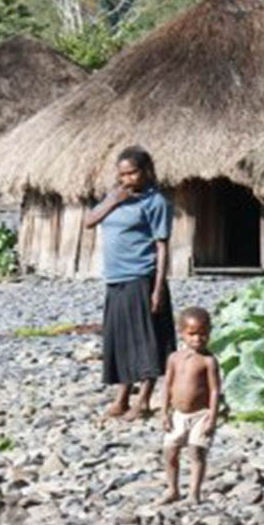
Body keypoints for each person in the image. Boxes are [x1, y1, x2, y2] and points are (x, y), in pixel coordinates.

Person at [85, 146, 176, 421]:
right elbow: (90, 221)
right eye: (122, 174)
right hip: (115, 277)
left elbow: (162, 246)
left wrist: (158, 288)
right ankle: (122, 397)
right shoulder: (113, 198)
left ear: (146, 171)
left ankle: (144, 400)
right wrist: (113, 201)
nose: (127, 178)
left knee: (147, 341)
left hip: (142, 276)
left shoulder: (155, 202)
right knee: (120, 339)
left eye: (133, 173)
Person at [159, 307, 221, 504]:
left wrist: (212, 416)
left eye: (203, 334)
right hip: (178, 414)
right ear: (182, 333)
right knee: (170, 451)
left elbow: (214, 390)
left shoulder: (208, 361)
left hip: (201, 414)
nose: (197, 339)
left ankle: (194, 493)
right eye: (192, 334)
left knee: (196, 452)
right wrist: (164, 412)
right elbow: (167, 385)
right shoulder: (174, 358)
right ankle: (172, 489)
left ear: (210, 332)